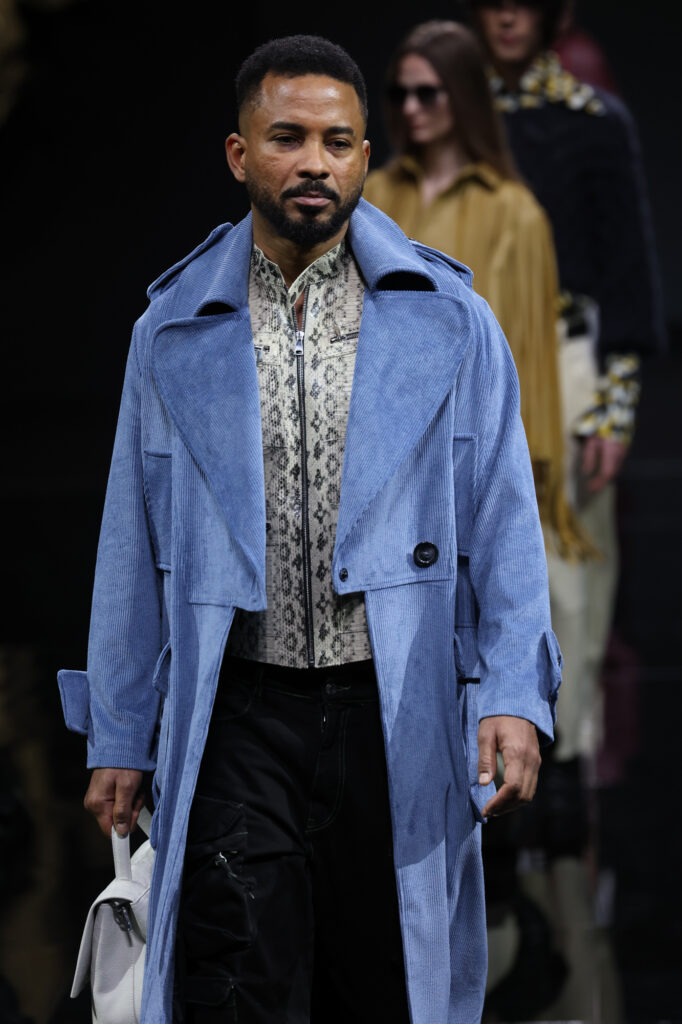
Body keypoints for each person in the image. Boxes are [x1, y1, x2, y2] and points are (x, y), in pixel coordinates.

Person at [57, 34, 562, 1024]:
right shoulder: (174, 331)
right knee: (237, 982)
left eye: (337, 142)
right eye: (287, 138)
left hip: (394, 702)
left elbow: (504, 519)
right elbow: (132, 542)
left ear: (365, 154)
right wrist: (118, 731)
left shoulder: (449, 319)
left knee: (381, 983)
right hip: (240, 709)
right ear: (240, 154)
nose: (314, 163)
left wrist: (511, 691)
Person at [470, 0, 665, 769]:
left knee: (573, 563)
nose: (508, 18)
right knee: (462, 553)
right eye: (495, 2)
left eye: (525, 3)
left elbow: (628, 273)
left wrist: (614, 410)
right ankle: (480, 747)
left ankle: (565, 751)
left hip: (565, 353)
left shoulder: (595, 120)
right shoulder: (450, 117)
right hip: (472, 349)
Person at [364, 19, 591, 560]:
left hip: (472, 445)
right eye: (399, 93)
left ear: (463, 93)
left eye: (427, 93)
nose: (411, 107)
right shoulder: (371, 197)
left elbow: (529, 354)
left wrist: (524, 478)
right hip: (377, 444)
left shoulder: (516, 213)